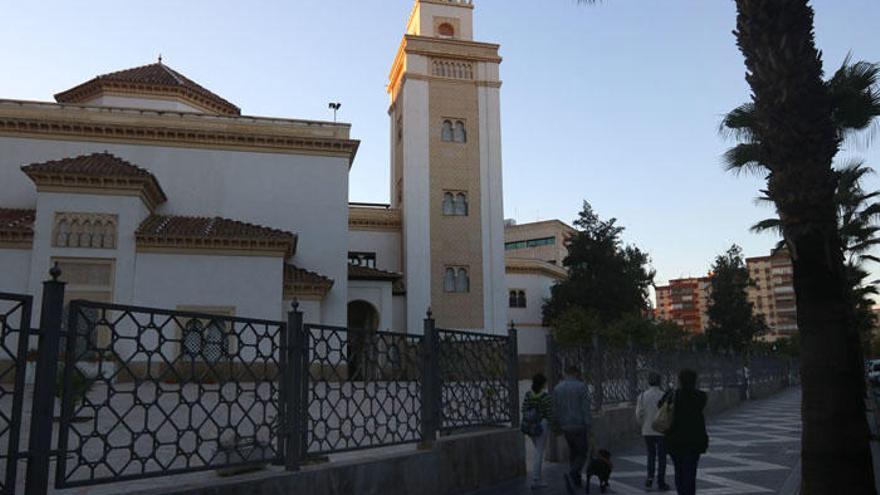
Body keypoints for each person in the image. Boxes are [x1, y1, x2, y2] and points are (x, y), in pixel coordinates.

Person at [663, 369, 709, 495]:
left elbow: (660, 405)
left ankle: (681, 492)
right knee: (690, 472)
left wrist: (669, 392)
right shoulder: (700, 396)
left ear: (680, 381)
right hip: (694, 441)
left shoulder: (673, 395)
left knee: (679, 471)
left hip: (675, 440)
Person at [552, 365, 592, 494]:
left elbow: (555, 409)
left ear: (565, 373)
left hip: (565, 426)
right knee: (582, 452)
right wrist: (589, 425)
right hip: (579, 425)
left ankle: (576, 479)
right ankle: (572, 474)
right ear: (576, 373)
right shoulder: (581, 386)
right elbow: (585, 408)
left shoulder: (557, 388)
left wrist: (557, 426)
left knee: (573, 451)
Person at [635, 372, 670, 491]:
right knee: (662, 456)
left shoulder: (642, 396)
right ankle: (661, 481)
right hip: (661, 430)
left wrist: (643, 425)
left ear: (649, 381)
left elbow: (638, 414)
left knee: (651, 454)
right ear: (659, 381)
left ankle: (649, 478)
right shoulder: (664, 395)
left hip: (647, 430)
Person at [521, 373, 556, 489]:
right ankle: (536, 479)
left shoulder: (528, 395)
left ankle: (538, 477)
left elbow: (523, 409)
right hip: (541, 425)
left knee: (537, 449)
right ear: (543, 384)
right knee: (539, 452)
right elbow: (549, 414)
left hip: (530, 426)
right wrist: (553, 427)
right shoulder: (545, 397)